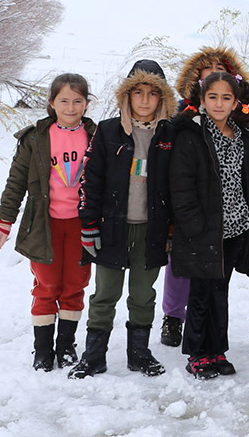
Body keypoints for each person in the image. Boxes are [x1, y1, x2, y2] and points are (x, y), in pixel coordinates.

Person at [69, 61, 175, 379]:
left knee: (143, 295)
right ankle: (93, 355)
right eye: (137, 92)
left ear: (162, 98)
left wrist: (173, 229)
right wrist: (89, 225)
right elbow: (91, 180)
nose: (144, 100)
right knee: (105, 294)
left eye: (152, 93)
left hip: (152, 230)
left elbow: (179, 184)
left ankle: (139, 353)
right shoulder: (108, 131)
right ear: (127, 96)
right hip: (112, 228)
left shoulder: (171, 134)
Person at [0, 73, 96, 371]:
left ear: (86, 104)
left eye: (77, 101)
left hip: (81, 225)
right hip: (44, 224)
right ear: (52, 103)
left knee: (75, 285)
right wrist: (3, 221)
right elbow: (16, 182)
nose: (71, 107)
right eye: (64, 101)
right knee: (47, 285)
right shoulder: (35, 138)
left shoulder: (98, 136)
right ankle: (42, 349)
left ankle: (65, 345)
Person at [169, 72, 249, 379]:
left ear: (236, 102)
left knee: (219, 292)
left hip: (235, 229)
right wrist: (193, 224)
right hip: (202, 230)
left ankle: (217, 349)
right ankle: (197, 353)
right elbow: (181, 184)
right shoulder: (192, 135)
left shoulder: (243, 135)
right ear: (202, 100)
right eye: (213, 97)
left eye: (226, 98)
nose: (219, 104)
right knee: (200, 294)